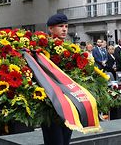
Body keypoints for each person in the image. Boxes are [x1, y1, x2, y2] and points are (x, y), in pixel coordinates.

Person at [43, 13, 73, 145]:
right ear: (50, 29)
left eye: (66, 26)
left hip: (68, 103)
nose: (65, 29)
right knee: (55, 141)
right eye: (61, 26)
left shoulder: (69, 48)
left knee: (65, 139)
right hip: (51, 104)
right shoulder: (43, 48)